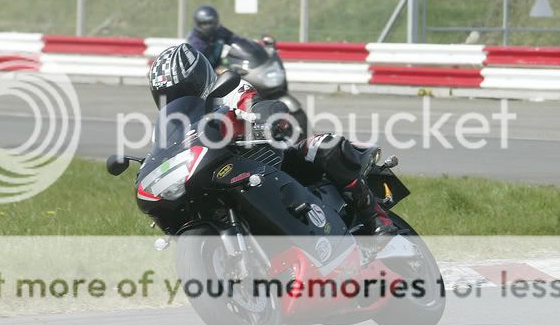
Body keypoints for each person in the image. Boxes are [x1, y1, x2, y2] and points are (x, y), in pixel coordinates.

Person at [148, 42, 398, 236]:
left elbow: (254, 103)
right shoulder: (168, 127)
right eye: (168, 95)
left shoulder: (229, 91)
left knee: (326, 146)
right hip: (220, 179)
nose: (176, 99)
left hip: (270, 161)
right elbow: (161, 154)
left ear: (199, 80)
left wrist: (265, 115)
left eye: (182, 91)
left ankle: (375, 216)